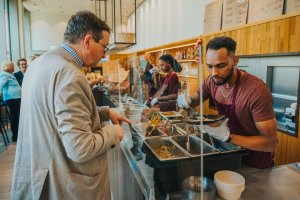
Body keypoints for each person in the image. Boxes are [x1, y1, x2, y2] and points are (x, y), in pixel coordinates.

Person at [11, 11, 131, 200]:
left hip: (39, 169)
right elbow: (80, 148)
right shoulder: (70, 74)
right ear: (88, 40)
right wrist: (112, 133)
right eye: (104, 47)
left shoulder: (38, 64)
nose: (104, 54)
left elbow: (53, 115)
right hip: (65, 182)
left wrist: (105, 112)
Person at [179, 36, 277, 169]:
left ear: (235, 60)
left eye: (221, 66)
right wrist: (186, 100)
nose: (214, 73)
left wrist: (228, 137)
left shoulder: (256, 91)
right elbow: (193, 101)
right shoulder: (212, 82)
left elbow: (270, 142)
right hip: (229, 154)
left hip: (254, 162)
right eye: (210, 66)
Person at [0, 61, 22, 142]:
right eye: (12, 66)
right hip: (12, 98)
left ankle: (18, 134)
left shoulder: (10, 75)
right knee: (14, 117)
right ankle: (15, 136)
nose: (13, 67)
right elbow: (0, 85)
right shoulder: (4, 74)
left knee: (16, 116)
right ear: (8, 67)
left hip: (16, 98)